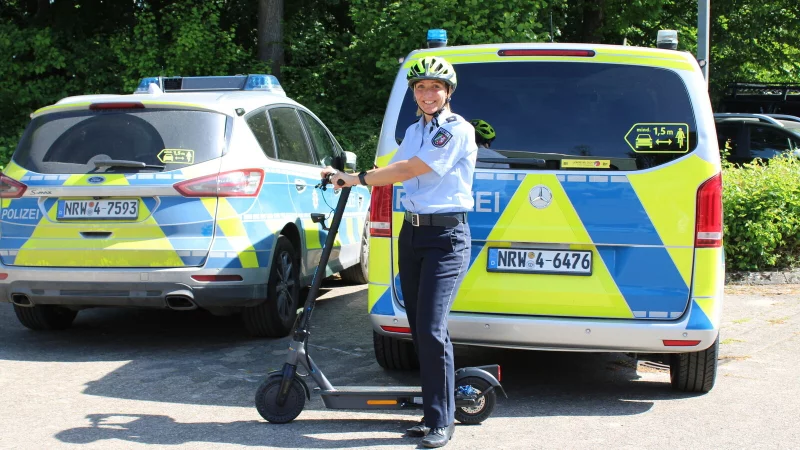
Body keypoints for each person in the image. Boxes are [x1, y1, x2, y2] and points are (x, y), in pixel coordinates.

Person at [321, 55, 476, 448]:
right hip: (413, 233)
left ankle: (441, 421)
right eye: (421, 87)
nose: (428, 94)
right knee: (418, 327)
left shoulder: (456, 130)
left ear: (448, 91)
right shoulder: (413, 129)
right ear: (414, 93)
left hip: (446, 237)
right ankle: (432, 412)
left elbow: (409, 170)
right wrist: (342, 176)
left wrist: (357, 179)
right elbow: (392, 166)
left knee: (432, 328)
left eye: (435, 87)